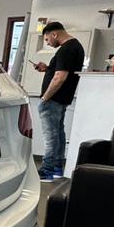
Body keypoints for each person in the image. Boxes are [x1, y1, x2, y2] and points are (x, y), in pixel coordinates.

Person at [33, 22, 85, 181]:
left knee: (51, 136)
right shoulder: (76, 47)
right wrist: (48, 68)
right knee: (58, 134)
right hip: (62, 98)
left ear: (54, 34)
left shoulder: (66, 49)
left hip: (53, 99)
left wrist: (45, 97)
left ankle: (47, 170)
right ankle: (56, 168)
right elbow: (61, 72)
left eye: (47, 39)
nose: (48, 43)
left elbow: (59, 77)